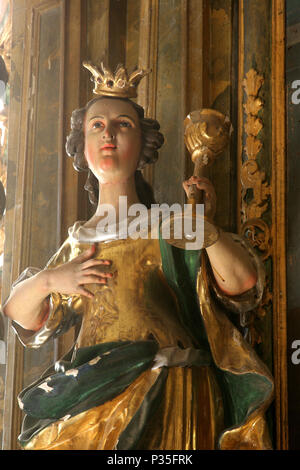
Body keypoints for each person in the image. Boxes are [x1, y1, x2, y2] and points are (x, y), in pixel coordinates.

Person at [2, 63, 273, 450]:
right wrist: (50, 279)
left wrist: (208, 234)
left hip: (170, 388)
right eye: (97, 125)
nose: (108, 134)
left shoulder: (170, 224)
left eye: (123, 124)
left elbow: (243, 284)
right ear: (81, 145)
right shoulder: (80, 244)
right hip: (94, 395)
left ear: (143, 143)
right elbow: (19, 313)